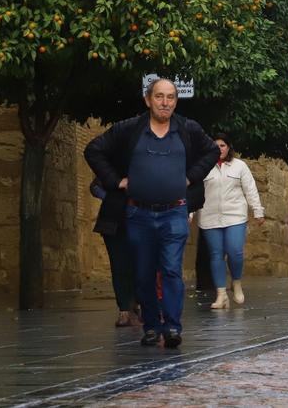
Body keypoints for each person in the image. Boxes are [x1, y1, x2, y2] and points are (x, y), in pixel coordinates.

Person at [84, 77, 220, 348]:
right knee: (144, 272)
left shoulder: (187, 129)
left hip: (175, 213)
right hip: (139, 214)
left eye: (170, 97)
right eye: (159, 96)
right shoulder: (130, 129)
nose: (165, 102)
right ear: (148, 100)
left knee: (170, 269)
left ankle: (171, 327)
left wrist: (190, 177)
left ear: (176, 101)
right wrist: (116, 181)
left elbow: (212, 150)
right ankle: (151, 326)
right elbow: (94, 150)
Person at [199, 134, 265, 309]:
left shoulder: (239, 166)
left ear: (228, 147)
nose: (219, 148)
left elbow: (250, 189)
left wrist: (257, 210)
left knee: (235, 251)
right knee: (215, 255)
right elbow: (194, 191)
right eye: (215, 145)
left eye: (222, 145)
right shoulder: (203, 167)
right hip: (210, 216)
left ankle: (236, 282)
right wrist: (189, 213)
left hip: (235, 215)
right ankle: (221, 295)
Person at [89, 178, 140, 327]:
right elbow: (95, 186)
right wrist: (112, 199)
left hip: (140, 219)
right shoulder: (112, 165)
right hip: (113, 220)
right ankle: (124, 308)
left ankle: (137, 302)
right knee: (118, 265)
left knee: (139, 263)